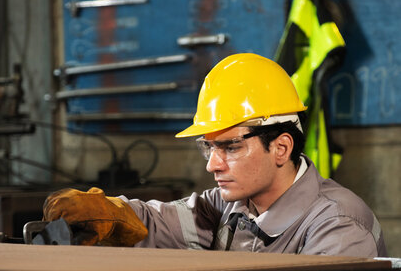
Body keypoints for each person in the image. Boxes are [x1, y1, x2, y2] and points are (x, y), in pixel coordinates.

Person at [43, 53, 387, 258]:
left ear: (281, 148)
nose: (212, 164)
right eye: (209, 146)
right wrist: (111, 213)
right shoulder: (229, 207)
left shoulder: (337, 225)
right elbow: (150, 225)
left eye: (231, 147)